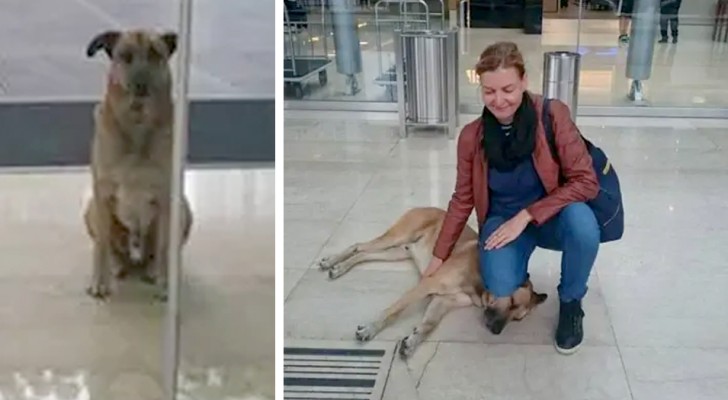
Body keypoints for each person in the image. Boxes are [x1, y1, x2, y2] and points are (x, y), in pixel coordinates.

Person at [422, 42, 601, 355]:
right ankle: (518, 273)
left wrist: (528, 215)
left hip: (552, 214)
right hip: (502, 220)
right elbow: (462, 199)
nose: (499, 100)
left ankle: (571, 303)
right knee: (501, 285)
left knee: (583, 225)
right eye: (489, 91)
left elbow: (586, 181)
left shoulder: (552, 115)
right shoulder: (472, 136)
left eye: (508, 89)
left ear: (524, 82)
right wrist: (438, 257)